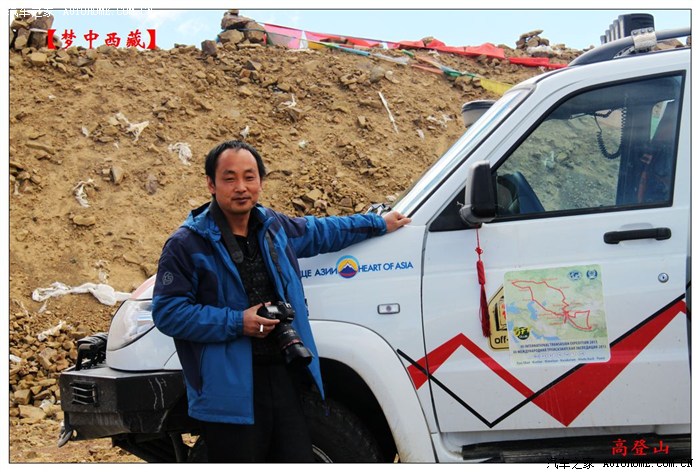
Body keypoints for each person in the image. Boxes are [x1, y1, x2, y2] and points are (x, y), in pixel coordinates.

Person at [151, 140, 410, 463]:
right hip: (229, 391)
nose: (241, 187)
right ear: (211, 184)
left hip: (285, 375)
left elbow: (322, 231)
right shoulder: (187, 244)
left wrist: (378, 224)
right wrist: (238, 322)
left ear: (261, 181)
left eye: (249, 177)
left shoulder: (273, 227)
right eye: (230, 178)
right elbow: (168, 312)